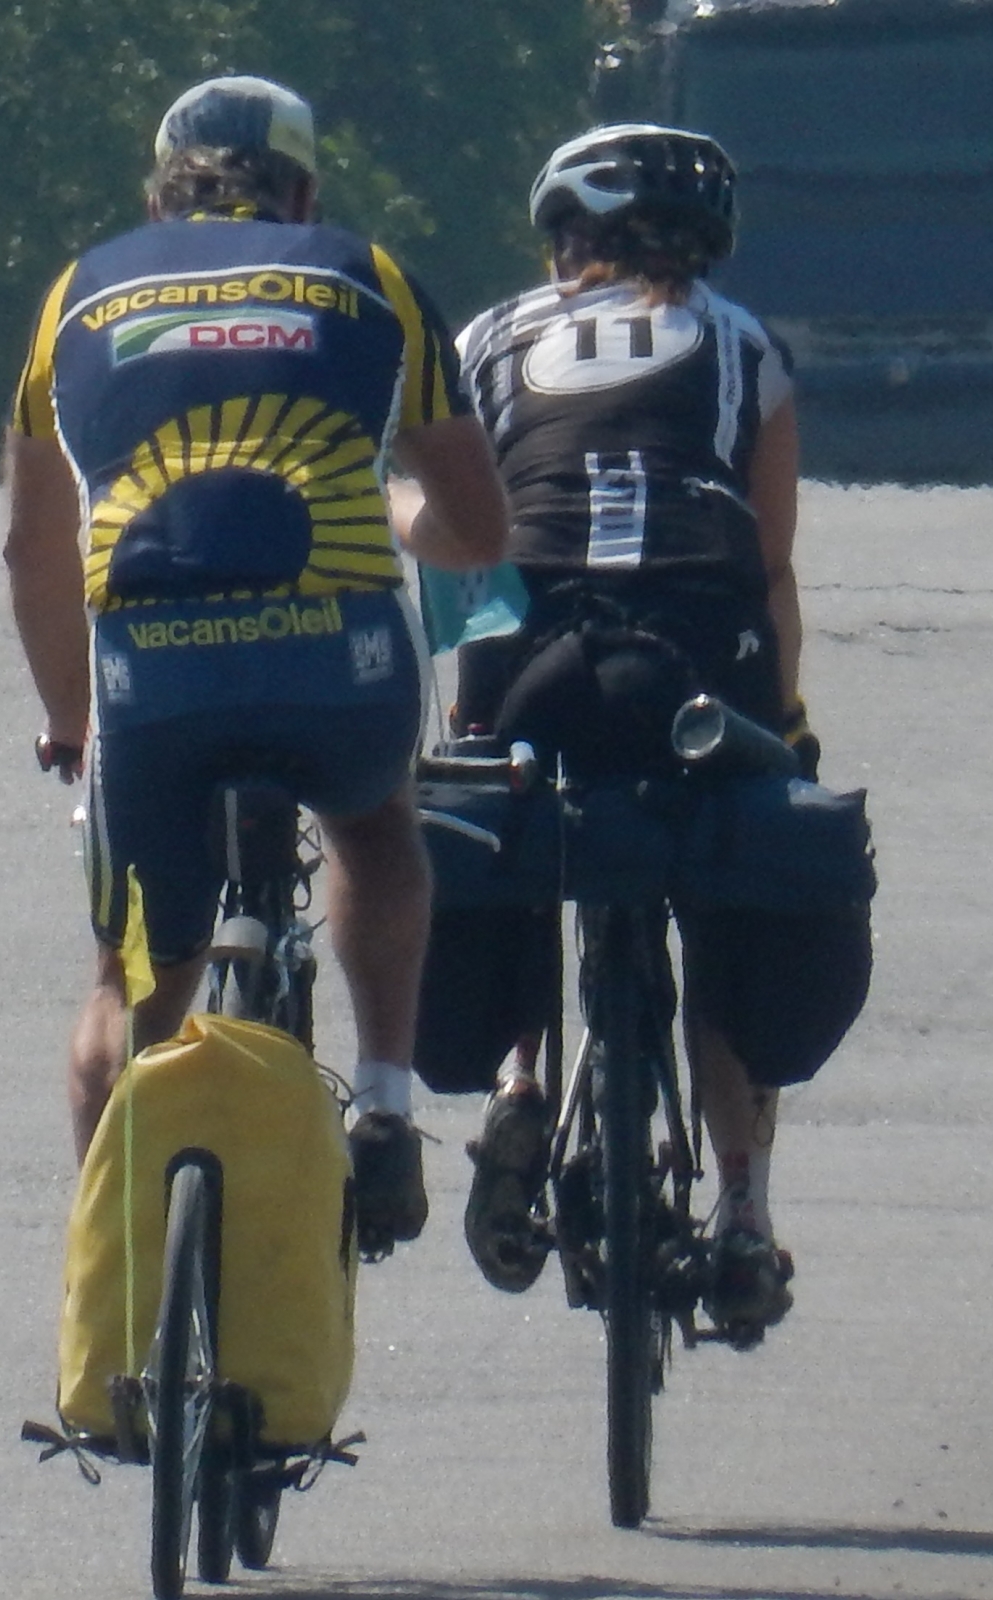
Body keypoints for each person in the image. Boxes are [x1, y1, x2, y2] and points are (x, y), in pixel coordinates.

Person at [3, 75, 509, 1260]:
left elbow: (31, 545)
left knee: (127, 981)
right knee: (377, 826)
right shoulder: (368, 276)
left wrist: (72, 721)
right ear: (304, 193)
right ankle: (383, 1101)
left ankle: (116, 1285)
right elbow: (480, 527)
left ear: (157, 196)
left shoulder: (77, 293)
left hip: (155, 681)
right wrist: (403, 519)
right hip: (336, 666)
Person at [437, 123, 819, 1333]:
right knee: (724, 883)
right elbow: (769, 566)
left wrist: (468, 715)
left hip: (529, 641)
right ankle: (744, 1206)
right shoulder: (745, 343)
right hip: (697, 646)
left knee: (510, 830)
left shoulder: (488, 339)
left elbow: (460, 542)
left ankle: (517, 1080)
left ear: (565, 236)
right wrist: (788, 726)